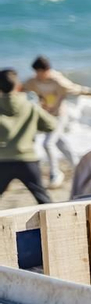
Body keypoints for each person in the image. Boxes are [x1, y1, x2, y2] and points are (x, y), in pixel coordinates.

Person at [21, 56, 91, 188]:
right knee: (59, 142)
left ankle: (55, 173)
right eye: (36, 72)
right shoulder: (34, 81)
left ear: (47, 70)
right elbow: (19, 88)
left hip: (59, 116)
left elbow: (78, 89)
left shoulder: (58, 81)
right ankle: (78, 165)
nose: (38, 75)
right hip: (46, 117)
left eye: (40, 72)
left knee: (48, 143)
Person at [1, 68, 59, 206]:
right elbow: (51, 125)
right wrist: (33, 125)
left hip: (2, 160)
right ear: (19, 86)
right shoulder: (30, 106)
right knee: (43, 199)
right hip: (27, 159)